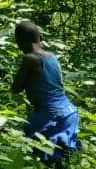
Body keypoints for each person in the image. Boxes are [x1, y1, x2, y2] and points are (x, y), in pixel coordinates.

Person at [11, 21, 80, 166]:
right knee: (59, 162)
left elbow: (16, 88)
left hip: (51, 116)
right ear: (40, 38)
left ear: (19, 41)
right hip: (68, 112)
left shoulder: (30, 58)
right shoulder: (52, 56)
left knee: (35, 154)